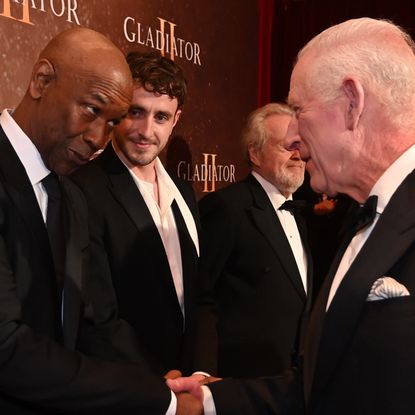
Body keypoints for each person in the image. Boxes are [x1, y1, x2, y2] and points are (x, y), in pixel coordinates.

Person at [169, 17, 415, 415]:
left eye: (300, 110)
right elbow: (319, 387)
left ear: (352, 103)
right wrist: (209, 400)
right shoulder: (360, 218)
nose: (295, 138)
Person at [0, 27, 200, 414]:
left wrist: (164, 384)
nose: (97, 137)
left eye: (111, 122)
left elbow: (86, 326)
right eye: (92, 109)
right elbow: (6, 347)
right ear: (41, 80)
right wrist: (159, 398)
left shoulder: (71, 196)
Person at [71, 51, 212, 378]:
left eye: (161, 117)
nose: (146, 130)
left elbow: (201, 296)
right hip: (128, 387)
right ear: (118, 110)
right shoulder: (85, 189)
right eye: (136, 112)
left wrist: (201, 373)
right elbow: (96, 314)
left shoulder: (184, 192)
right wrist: (156, 381)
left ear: (176, 120)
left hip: (189, 388)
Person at [197, 103, 311, 378]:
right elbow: (201, 296)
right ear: (255, 153)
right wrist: (204, 375)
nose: (298, 155)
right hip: (240, 379)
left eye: (301, 145)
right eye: (287, 146)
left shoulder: (300, 213)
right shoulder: (226, 208)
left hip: (290, 380)